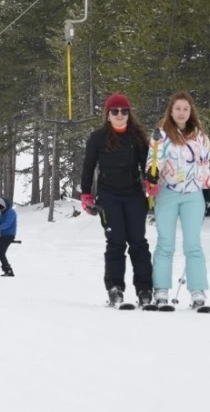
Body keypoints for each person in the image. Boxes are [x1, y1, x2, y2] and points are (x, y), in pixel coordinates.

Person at [80, 93, 153, 307]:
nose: (120, 115)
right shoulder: (97, 138)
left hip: (133, 195)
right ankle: (115, 289)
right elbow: (88, 167)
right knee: (115, 242)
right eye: (115, 111)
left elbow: (147, 166)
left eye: (124, 111)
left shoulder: (138, 137)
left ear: (129, 114)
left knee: (138, 243)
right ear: (108, 115)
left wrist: (150, 181)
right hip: (108, 196)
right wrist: (86, 194)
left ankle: (144, 290)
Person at [146, 91, 210, 309]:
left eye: (185, 108)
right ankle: (161, 291)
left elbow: (204, 164)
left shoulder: (200, 136)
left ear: (190, 111)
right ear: (171, 111)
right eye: (178, 109)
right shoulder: (161, 135)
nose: (182, 113)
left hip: (193, 194)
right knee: (166, 243)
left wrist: (207, 189)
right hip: (168, 193)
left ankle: (198, 292)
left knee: (193, 244)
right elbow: (152, 161)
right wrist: (151, 174)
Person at [0, 197, 17, 277]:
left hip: (9, 235)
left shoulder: (11, 212)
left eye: (1, 207)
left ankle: (9, 271)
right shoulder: (2, 213)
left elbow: (7, 224)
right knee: (0, 253)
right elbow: (0, 223)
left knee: (1, 253)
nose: (0, 210)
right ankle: (7, 270)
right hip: (3, 235)